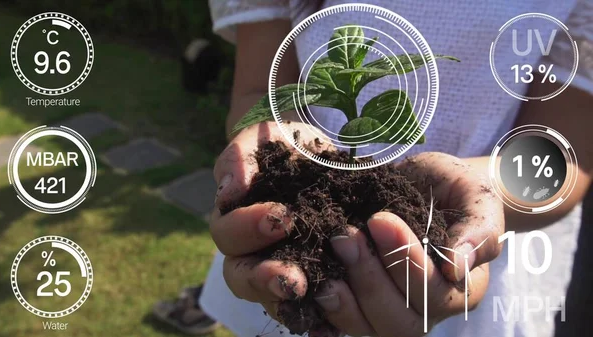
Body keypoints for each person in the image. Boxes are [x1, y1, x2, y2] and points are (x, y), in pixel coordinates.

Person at [159, 0, 593, 336]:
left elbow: (563, 156)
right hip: (287, 228)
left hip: (461, 251)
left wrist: (479, 190)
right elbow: (261, 92)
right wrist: (268, 145)